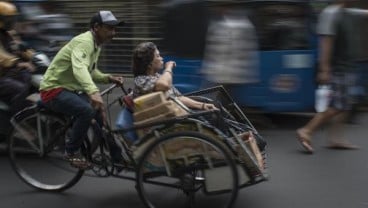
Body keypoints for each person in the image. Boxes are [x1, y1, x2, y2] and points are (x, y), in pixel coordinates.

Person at [39, 10, 125, 168]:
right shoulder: (85, 42)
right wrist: (93, 92)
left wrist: (107, 77)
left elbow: (90, 70)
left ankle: (116, 156)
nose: (113, 33)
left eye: (114, 29)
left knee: (99, 113)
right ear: (96, 27)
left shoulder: (95, 44)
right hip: (53, 89)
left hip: (69, 90)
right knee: (86, 111)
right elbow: (80, 69)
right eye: (109, 28)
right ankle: (71, 151)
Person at [296, 0, 362, 153]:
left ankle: (336, 138)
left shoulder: (347, 11)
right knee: (338, 106)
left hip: (348, 66)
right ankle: (306, 130)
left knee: (345, 105)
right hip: (339, 68)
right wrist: (324, 69)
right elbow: (326, 41)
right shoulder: (331, 13)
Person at [132, 41, 216, 110]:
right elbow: (164, 85)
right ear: (149, 64)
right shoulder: (141, 80)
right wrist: (168, 68)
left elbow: (178, 98)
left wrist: (202, 105)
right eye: (158, 56)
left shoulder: (157, 76)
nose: (162, 58)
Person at [0, 1, 36, 115]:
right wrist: (18, 63)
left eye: (12, 19)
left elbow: (20, 46)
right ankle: (15, 121)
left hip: (11, 73)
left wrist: (32, 55)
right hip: (2, 76)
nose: (10, 22)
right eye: (7, 19)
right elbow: (2, 57)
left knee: (33, 85)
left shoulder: (9, 33)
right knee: (20, 89)